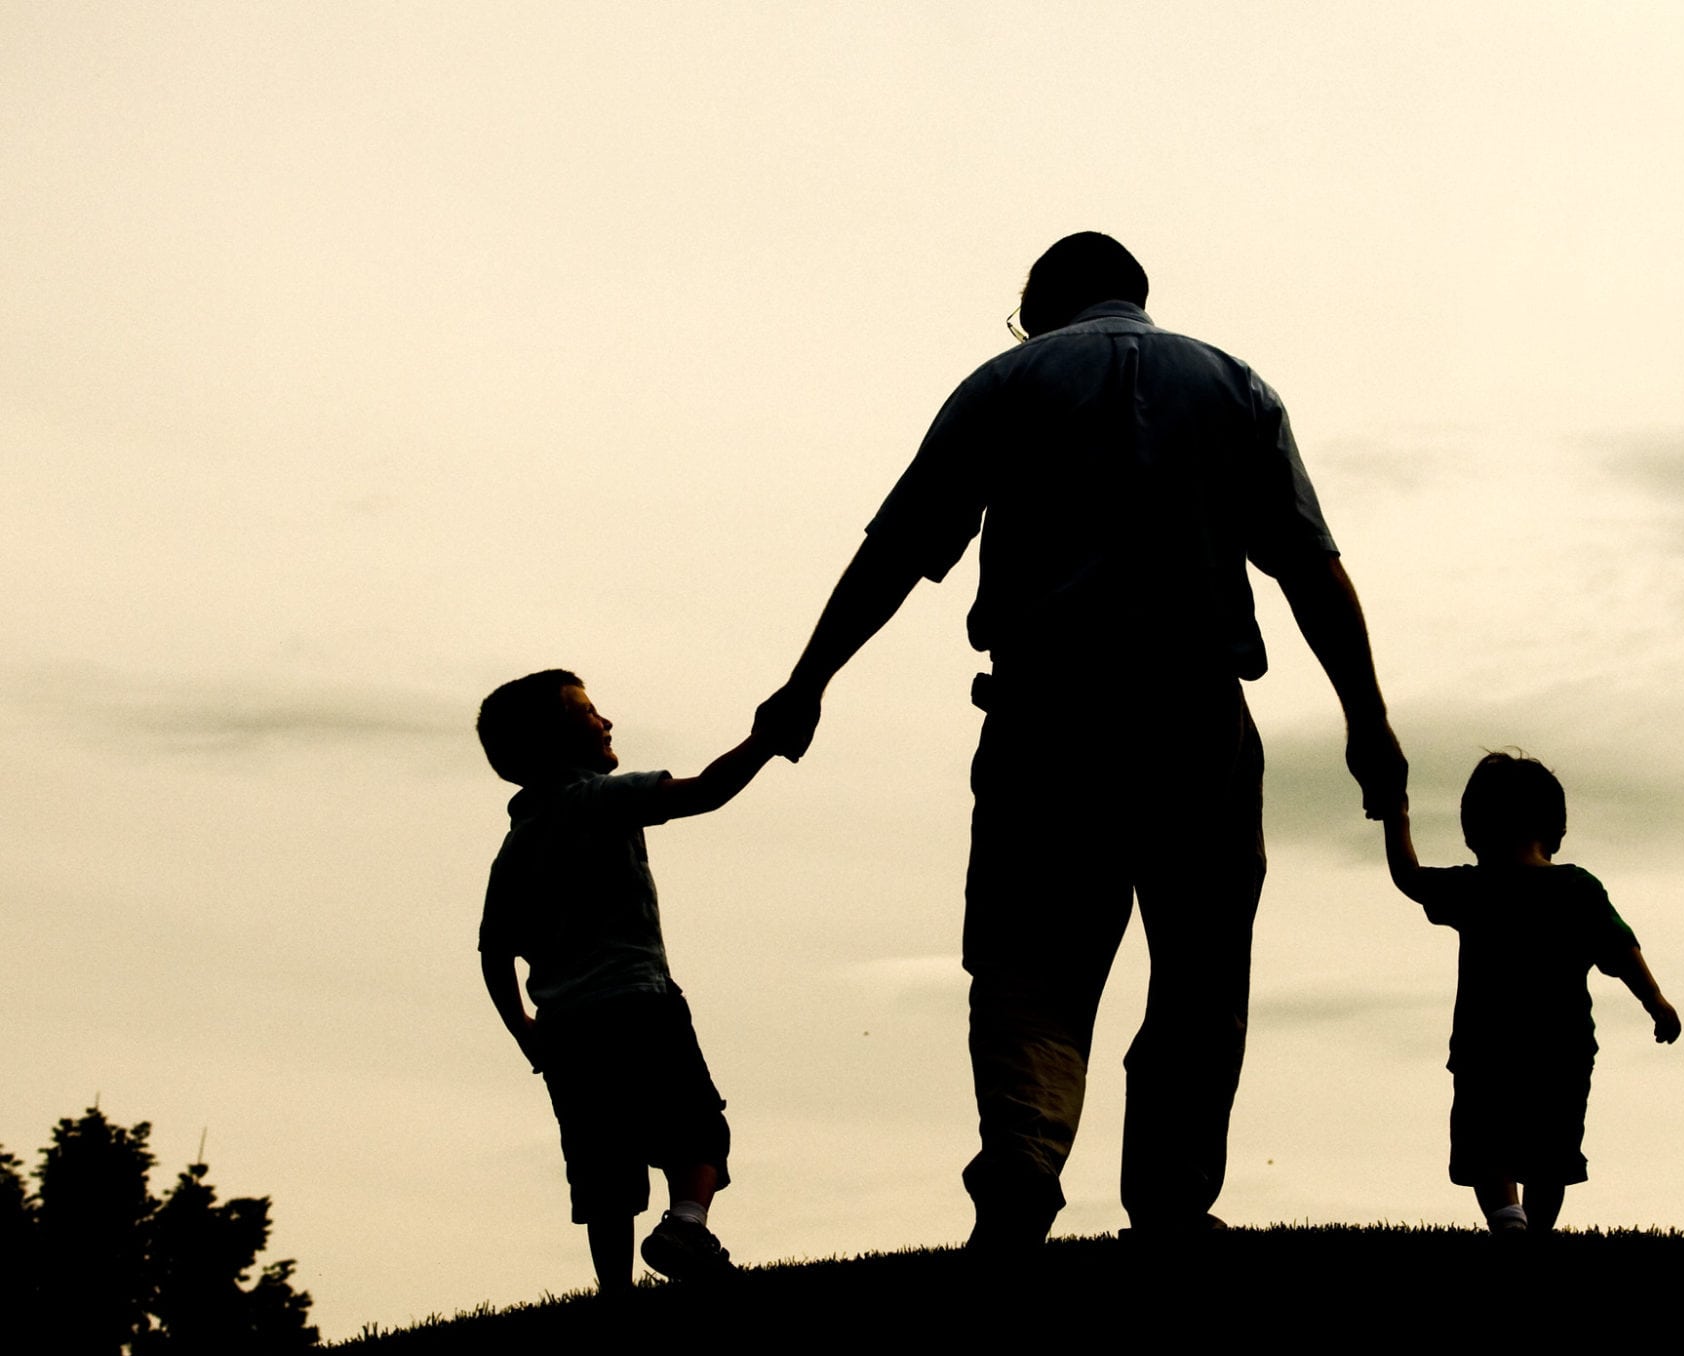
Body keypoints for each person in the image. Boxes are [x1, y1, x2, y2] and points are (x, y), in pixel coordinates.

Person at [753, 232, 1405, 1250]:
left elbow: (898, 546)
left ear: (1039, 300)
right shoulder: (1233, 385)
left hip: (1044, 709)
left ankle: (1021, 1155)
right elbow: (1307, 566)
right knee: (1198, 966)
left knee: (1027, 957)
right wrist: (1367, 722)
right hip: (1194, 712)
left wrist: (807, 680)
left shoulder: (1005, 381)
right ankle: (1171, 1200)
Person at [475, 669, 772, 1292]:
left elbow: (493, 951)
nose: (606, 722)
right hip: (640, 1004)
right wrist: (765, 741)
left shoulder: (515, 846)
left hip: (566, 1030)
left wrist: (525, 1030)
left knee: (602, 1167)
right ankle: (686, 1224)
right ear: (555, 738)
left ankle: (615, 1293)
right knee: (696, 1129)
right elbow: (708, 792)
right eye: (588, 712)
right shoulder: (596, 798)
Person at [1382, 750, 1681, 1237]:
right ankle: (1535, 1230)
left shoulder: (1475, 887)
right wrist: (1657, 1003)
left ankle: (1508, 1220)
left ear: (1473, 829)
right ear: (1555, 828)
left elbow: (1409, 878)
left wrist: (1397, 815)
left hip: (1486, 1050)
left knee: (1487, 1145)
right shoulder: (1577, 887)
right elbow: (1621, 949)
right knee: (1551, 1156)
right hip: (1562, 1051)